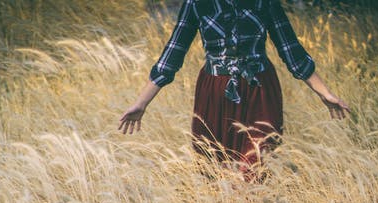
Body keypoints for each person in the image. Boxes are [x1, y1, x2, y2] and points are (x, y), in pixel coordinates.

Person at [119, 0, 350, 178]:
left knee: (257, 168)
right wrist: (141, 103)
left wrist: (325, 93)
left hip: (259, 92)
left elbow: (292, 51)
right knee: (215, 170)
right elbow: (172, 55)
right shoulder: (197, 3)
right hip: (214, 94)